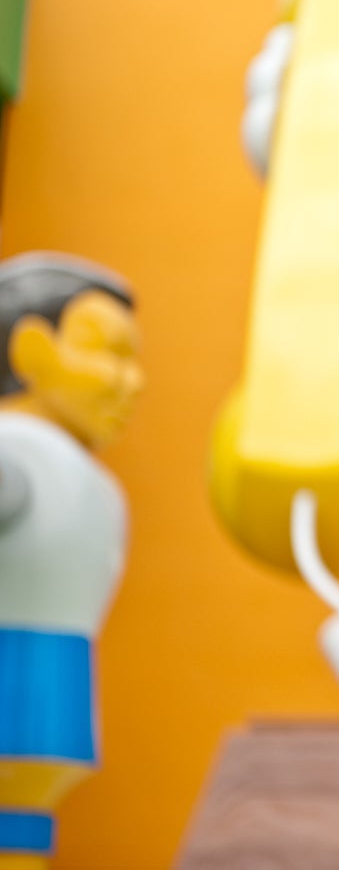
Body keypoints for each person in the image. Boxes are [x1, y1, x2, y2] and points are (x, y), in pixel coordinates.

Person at [0, 253, 142, 866]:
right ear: (31, 350)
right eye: (108, 351)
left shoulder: (77, 476)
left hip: (51, 700)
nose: (132, 381)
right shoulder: (18, 456)